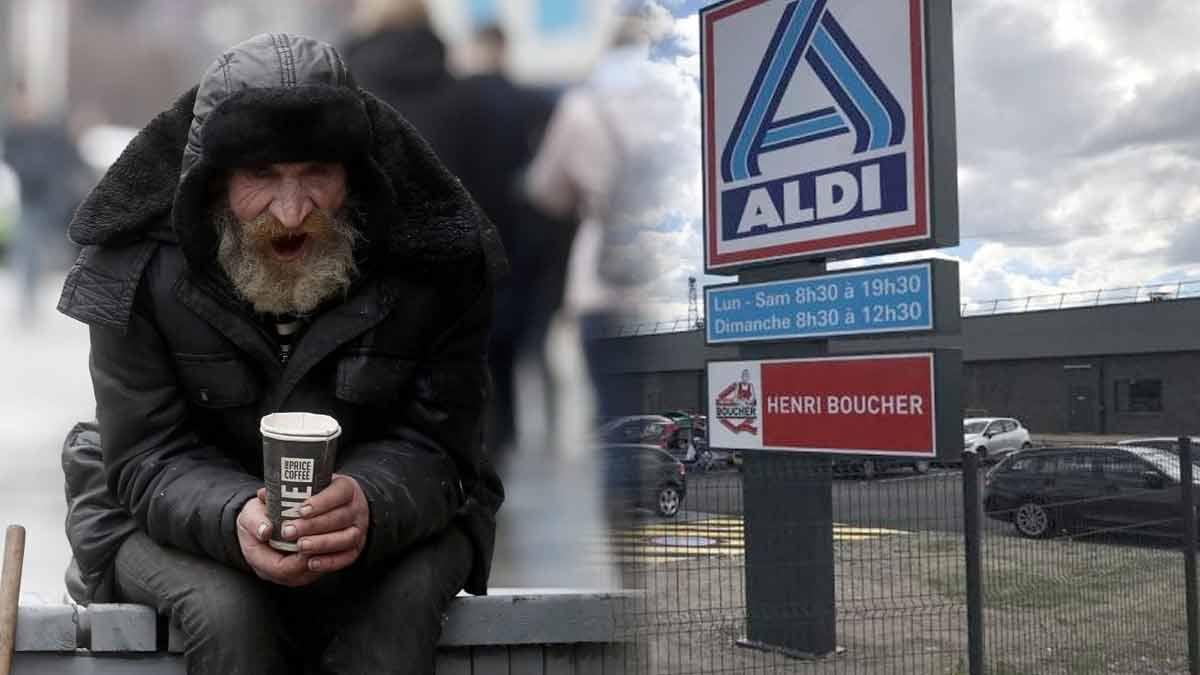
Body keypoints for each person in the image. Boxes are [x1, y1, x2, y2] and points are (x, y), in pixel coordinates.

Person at [57, 33, 505, 674]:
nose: (292, 213)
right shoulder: (135, 264)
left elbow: (443, 445)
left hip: (391, 515)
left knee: (396, 617)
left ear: (356, 174)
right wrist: (236, 515)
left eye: (317, 175)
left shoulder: (435, 258)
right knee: (227, 612)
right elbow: (146, 454)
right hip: (156, 511)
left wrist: (366, 503)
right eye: (261, 177)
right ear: (211, 183)